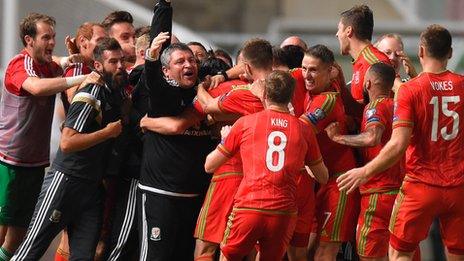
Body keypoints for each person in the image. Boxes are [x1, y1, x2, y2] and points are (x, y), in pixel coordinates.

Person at [337, 24, 464, 261]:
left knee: (400, 252)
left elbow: (398, 145)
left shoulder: (409, 90)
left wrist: (365, 171)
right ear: (449, 53)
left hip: (420, 185)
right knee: (457, 252)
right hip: (459, 187)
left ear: (421, 51)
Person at [11, 37, 125, 261]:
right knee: (31, 249)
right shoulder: (91, 92)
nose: (120, 66)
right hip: (66, 182)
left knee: (84, 256)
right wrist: (107, 133)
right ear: (99, 66)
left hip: (91, 188)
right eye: (113, 62)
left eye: (122, 61)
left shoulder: (115, 91)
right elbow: (67, 142)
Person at [204, 70, 327, 261]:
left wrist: (224, 140)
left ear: (265, 94)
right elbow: (323, 177)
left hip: (248, 207)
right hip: (283, 212)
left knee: (228, 257)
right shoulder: (304, 130)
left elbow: (209, 165)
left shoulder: (245, 124)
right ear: (292, 96)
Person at [0, 13, 90, 260]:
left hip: (35, 162)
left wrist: (70, 59)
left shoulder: (47, 65)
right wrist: (82, 76)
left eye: (53, 37)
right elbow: (36, 87)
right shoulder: (20, 64)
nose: (51, 42)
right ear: (29, 40)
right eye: (46, 37)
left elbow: (58, 64)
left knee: (18, 232)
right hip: (8, 160)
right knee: (2, 225)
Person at [136, 1, 214, 260]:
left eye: (191, 59)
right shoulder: (163, 95)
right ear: (167, 70)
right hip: (161, 195)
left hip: (193, 196)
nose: (188, 63)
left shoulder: (201, 91)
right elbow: (154, 72)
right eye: (180, 61)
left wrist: (222, 77)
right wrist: (164, 6)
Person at [326, 62, 402, 260]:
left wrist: (338, 138)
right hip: (400, 193)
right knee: (401, 253)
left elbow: (371, 137)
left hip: (378, 192)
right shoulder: (400, 106)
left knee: (369, 254)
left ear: (368, 83)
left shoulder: (375, 106)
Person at [298, 45, 359, 260]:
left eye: (313, 70)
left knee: (326, 250)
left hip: (338, 183)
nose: (307, 75)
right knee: (307, 248)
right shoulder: (316, 85)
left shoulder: (327, 100)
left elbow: (298, 131)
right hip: (319, 182)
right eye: (304, 68)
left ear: (329, 71)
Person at [336, 4, 391, 104]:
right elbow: (363, 108)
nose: (337, 34)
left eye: (339, 29)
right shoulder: (361, 60)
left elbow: (378, 108)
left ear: (348, 31)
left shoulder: (374, 61)